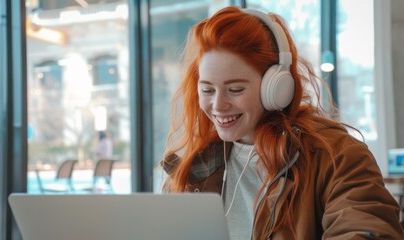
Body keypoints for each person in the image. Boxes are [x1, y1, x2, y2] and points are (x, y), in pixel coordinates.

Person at [160, 6, 403, 239]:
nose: (218, 105)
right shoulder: (193, 169)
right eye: (207, 90)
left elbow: (367, 229)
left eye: (235, 89)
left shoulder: (337, 157)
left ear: (276, 88)